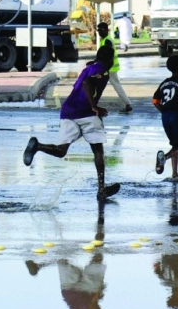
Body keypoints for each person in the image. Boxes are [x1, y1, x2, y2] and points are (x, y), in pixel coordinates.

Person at [23, 44, 120, 202]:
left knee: (61, 151)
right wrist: (94, 106)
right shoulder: (102, 70)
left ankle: (37, 146)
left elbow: (83, 82)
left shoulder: (90, 68)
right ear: (109, 59)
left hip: (69, 110)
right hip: (87, 112)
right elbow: (86, 83)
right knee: (98, 150)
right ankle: (101, 189)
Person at [153, 54, 178, 179]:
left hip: (165, 117)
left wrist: (164, 112)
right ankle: (163, 158)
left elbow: (155, 101)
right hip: (177, 116)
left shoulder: (164, 83)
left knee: (174, 145)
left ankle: (175, 173)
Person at [96, 21, 133, 113]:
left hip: (109, 69)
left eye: (100, 30)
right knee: (98, 86)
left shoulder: (107, 41)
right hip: (108, 68)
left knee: (115, 87)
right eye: (98, 30)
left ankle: (128, 104)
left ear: (105, 30)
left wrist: (103, 68)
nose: (98, 32)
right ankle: (92, 104)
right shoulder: (106, 39)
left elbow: (107, 55)